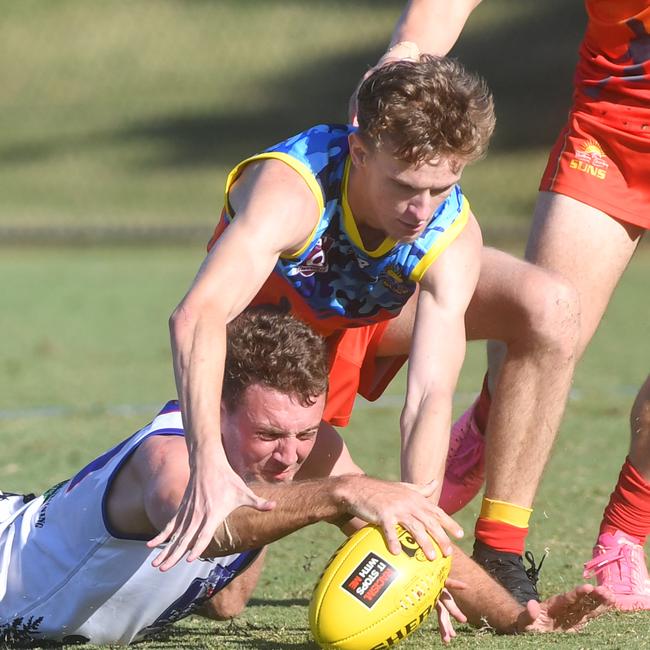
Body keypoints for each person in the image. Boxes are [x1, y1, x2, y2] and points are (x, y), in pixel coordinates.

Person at [157, 53, 580, 598]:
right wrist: (208, 461)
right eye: (405, 187)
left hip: (360, 322)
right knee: (228, 597)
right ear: (359, 151)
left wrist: (423, 531)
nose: (422, 210)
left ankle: (496, 545)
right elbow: (197, 316)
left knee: (546, 303)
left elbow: (428, 393)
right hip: (266, 347)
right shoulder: (292, 193)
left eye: (441, 187)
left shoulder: (449, 231)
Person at [0, 309, 612, 645]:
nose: (291, 456)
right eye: (268, 434)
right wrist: (338, 493)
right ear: (213, 405)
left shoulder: (302, 453)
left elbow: (410, 532)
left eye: (306, 432)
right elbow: (206, 528)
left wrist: (516, 616)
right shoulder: (169, 458)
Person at [375, 0, 650, 609]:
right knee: (547, 321)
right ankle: (488, 440)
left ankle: (625, 533)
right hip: (615, 133)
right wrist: (404, 59)